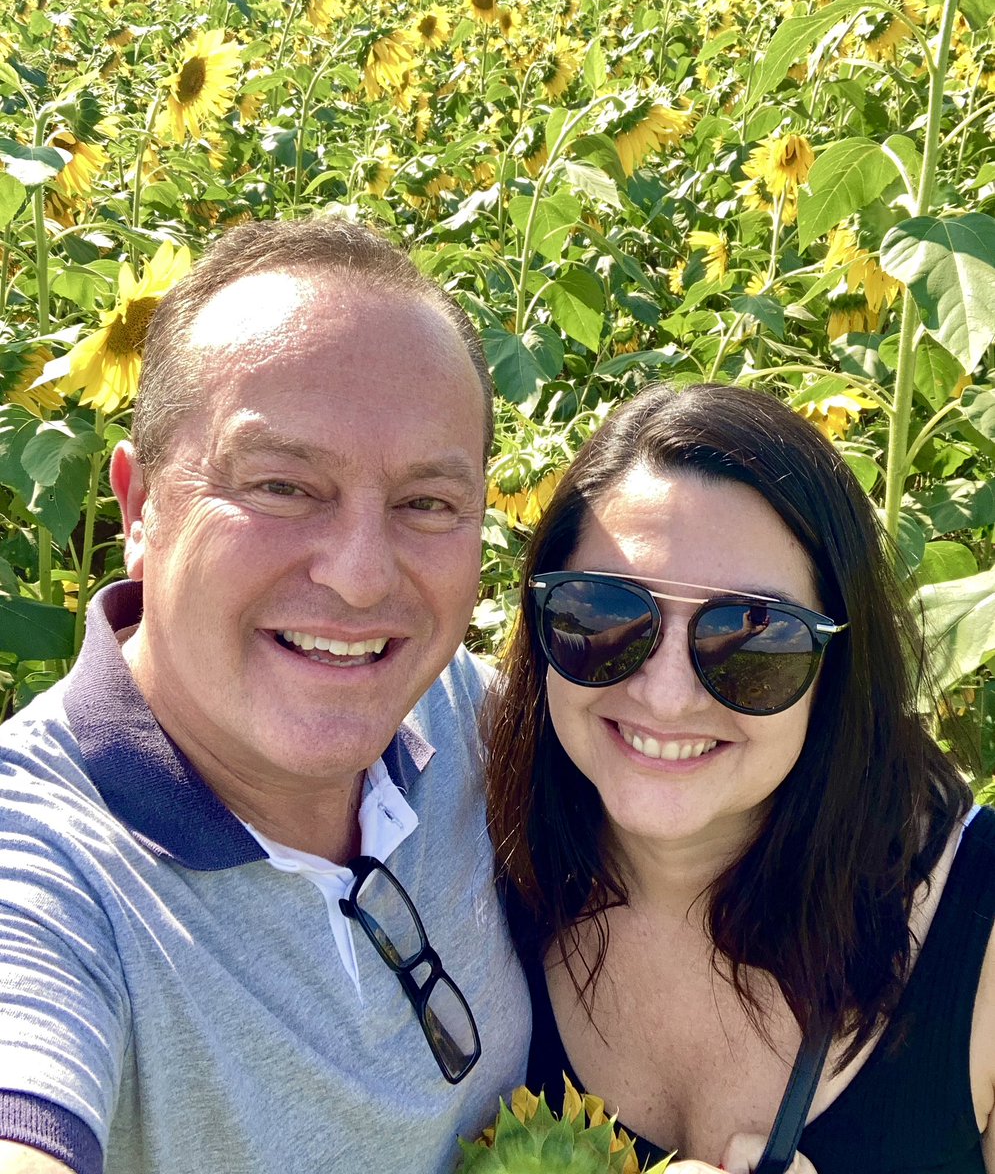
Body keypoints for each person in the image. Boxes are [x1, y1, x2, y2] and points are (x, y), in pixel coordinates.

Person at [0, 216, 531, 1174]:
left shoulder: (465, 718)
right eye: (283, 485)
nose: (364, 577)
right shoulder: (44, 861)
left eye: (426, 504)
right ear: (138, 509)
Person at [485, 382, 995, 1173]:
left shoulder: (980, 925)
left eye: (754, 639)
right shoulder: (467, 858)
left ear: (839, 670)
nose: (664, 693)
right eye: (603, 614)